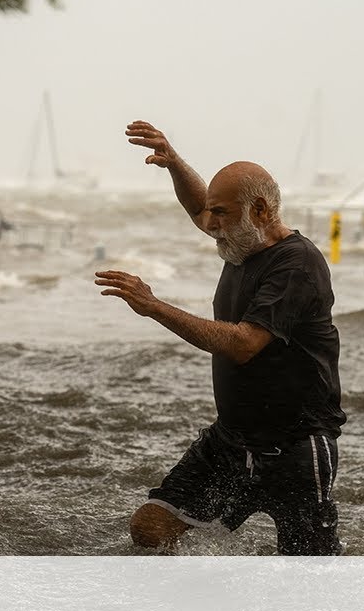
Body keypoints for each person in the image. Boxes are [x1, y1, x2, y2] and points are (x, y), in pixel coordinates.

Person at [95, 120, 346, 555]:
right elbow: (199, 208)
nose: (210, 224)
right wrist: (174, 162)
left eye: (222, 214)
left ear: (261, 211)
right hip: (231, 440)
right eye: (212, 213)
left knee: (310, 568)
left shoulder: (296, 264)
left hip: (297, 447)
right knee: (152, 528)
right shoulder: (241, 242)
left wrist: (154, 306)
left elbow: (243, 344)